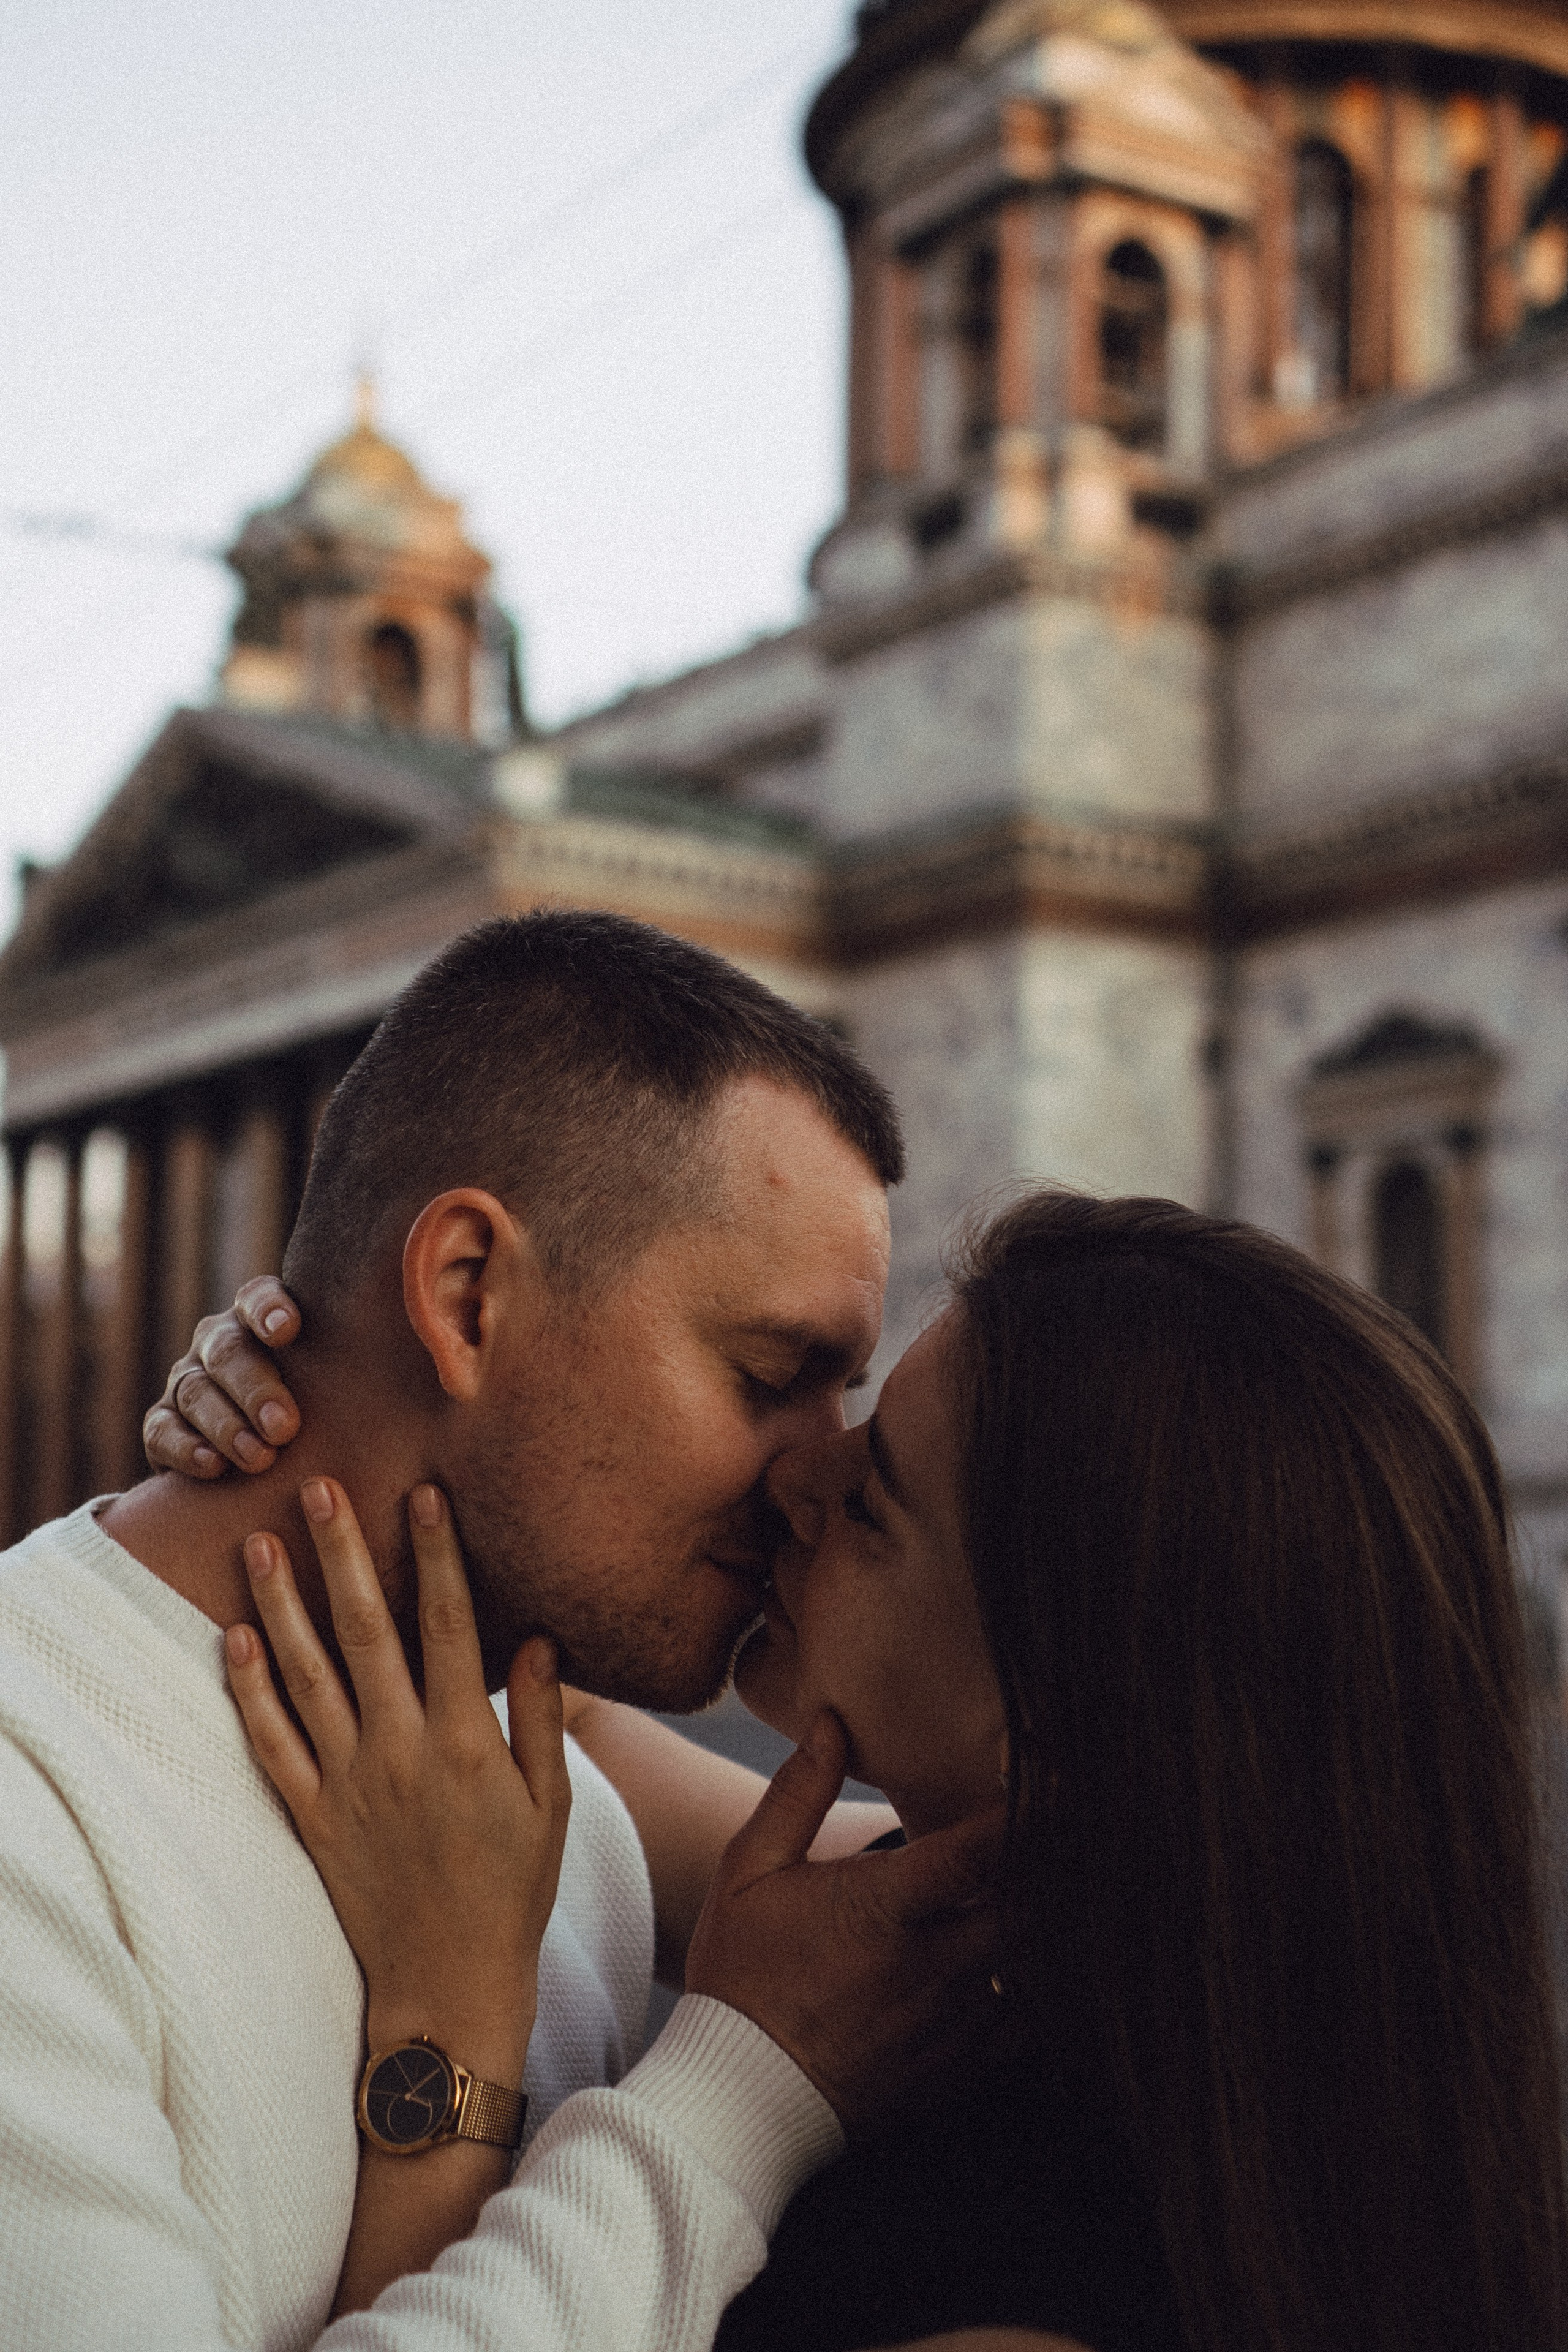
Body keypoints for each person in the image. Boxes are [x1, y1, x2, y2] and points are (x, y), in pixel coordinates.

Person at [183, 1191, 1568, 2352]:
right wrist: (349, 1403)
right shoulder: (1048, 1936)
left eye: (876, 1496)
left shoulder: (1039, 2304)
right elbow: (556, 1730)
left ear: (1065, 1716)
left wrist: (452, 2032)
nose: (798, 1475)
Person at [0, 910, 1001, 2352]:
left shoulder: (531, 1775)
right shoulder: (36, 1811)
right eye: (772, 1375)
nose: (811, 1474)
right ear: (466, 1297)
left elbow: (994, 1903)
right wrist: (733, 2094)